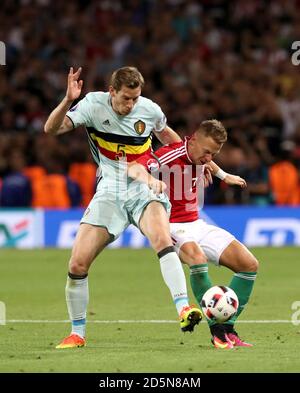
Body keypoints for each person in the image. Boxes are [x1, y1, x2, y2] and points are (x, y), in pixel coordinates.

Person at [44, 66, 202, 349]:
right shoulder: (92, 105)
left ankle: (183, 308)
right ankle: (77, 333)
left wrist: (193, 166)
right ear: (112, 91)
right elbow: (51, 129)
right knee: (77, 263)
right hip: (109, 190)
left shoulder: (149, 110)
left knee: (162, 239)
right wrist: (68, 100)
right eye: (126, 98)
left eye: (135, 98)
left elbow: (169, 137)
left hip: (145, 184)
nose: (131, 105)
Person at [128, 119, 259, 349]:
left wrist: (223, 175)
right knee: (197, 259)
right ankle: (217, 331)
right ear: (194, 139)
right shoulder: (169, 155)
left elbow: (208, 162)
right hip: (170, 225)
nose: (209, 158)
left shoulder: (200, 156)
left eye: (214, 153)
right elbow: (133, 168)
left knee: (249, 264)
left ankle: (229, 330)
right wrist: (150, 180)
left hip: (196, 223)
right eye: (207, 152)